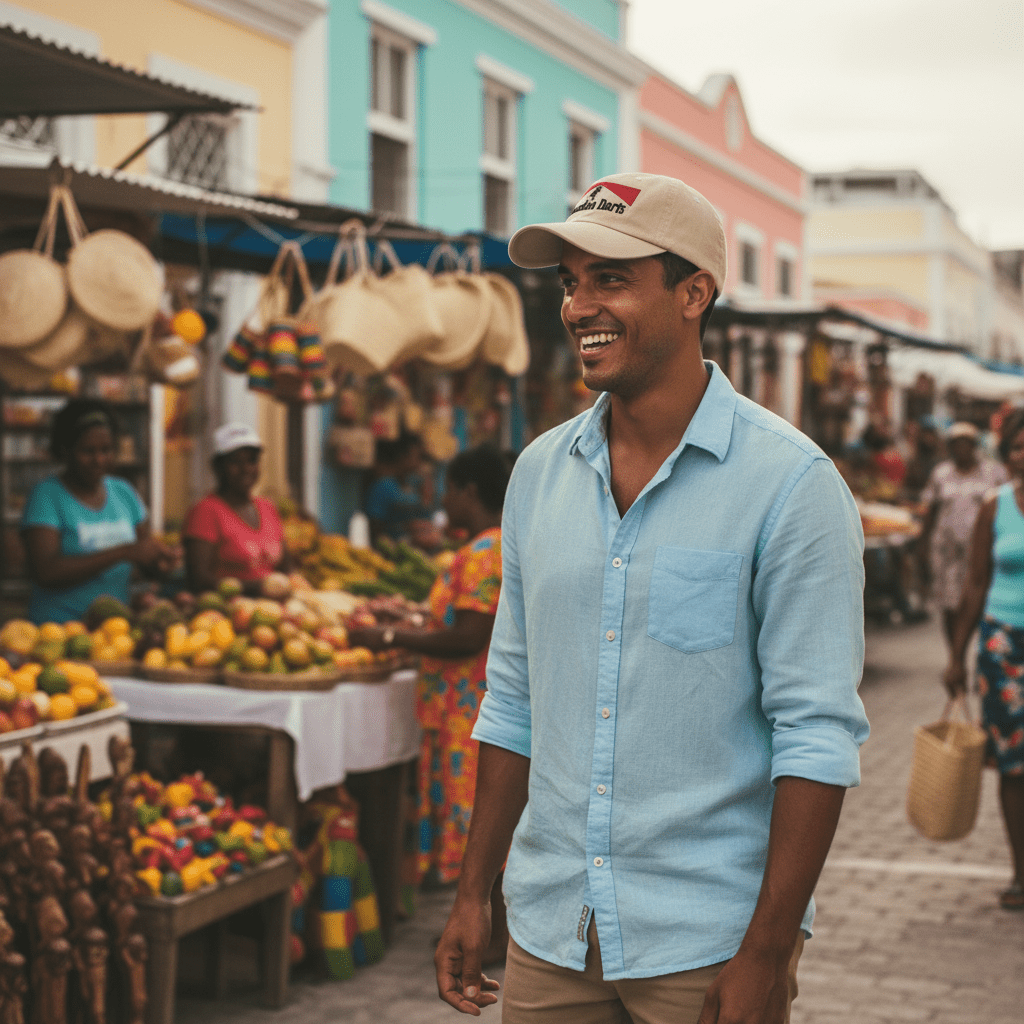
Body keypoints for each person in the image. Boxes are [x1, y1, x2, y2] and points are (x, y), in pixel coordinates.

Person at [433, 172, 870, 1023]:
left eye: (611, 278)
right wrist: (473, 891)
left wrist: (767, 951)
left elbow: (816, 731)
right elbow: (513, 698)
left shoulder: (792, 486)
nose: (578, 307)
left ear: (693, 293)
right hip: (551, 927)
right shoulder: (537, 477)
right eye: (570, 283)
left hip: (708, 938)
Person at [348, 444, 513, 964]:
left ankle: (494, 936)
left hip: (472, 709)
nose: (443, 501)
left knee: (480, 822)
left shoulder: (485, 552)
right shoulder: (490, 545)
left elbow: (468, 635)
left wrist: (391, 636)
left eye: (449, 490)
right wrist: (414, 622)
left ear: (468, 491)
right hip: (463, 706)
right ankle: (487, 931)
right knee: (477, 820)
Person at [943, 407, 1024, 912]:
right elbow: (975, 584)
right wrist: (956, 656)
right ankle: (1021, 873)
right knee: (1013, 765)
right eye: (1016, 447)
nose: (1023, 455)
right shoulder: (996, 507)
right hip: (1002, 647)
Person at [21, 399, 174, 624]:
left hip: (114, 630)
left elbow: (142, 557)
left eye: (106, 450)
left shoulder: (124, 493)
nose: (99, 460)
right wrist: (124, 552)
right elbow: (46, 572)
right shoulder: (46, 497)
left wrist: (162, 563)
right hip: (59, 629)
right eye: (88, 451)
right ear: (65, 450)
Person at [918, 422, 1007, 648]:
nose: (961, 449)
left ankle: (976, 647)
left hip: (981, 548)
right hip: (947, 550)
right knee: (949, 602)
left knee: (978, 598)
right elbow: (930, 509)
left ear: (974, 446)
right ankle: (955, 652)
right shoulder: (941, 473)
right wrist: (923, 544)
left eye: (966, 443)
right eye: (956, 444)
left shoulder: (993, 472)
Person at [183, 423, 288, 595]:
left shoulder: (267, 507)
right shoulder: (205, 512)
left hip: (273, 608)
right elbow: (198, 580)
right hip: (227, 609)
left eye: (252, 460)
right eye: (235, 462)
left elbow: (286, 567)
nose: (246, 469)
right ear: (217, 467)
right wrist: (258, 587)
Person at [364, 431, 432, 546]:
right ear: (403, 456)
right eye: (417, 457)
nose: (420, 463)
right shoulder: (383, 486)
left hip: (415, 550)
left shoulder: (415, 484)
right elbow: (375, 529)